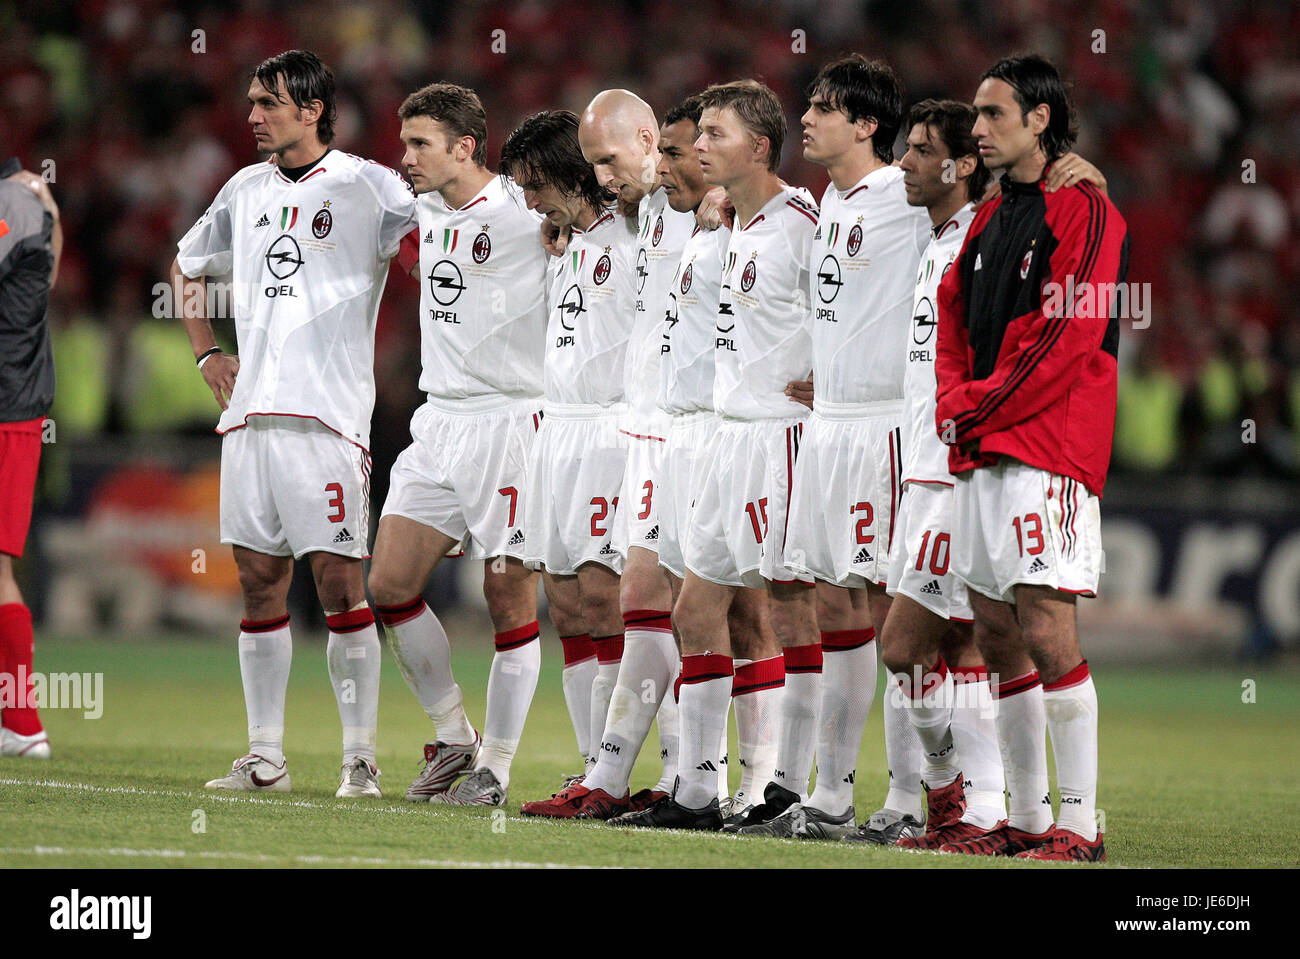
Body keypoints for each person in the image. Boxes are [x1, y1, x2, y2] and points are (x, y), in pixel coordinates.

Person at [170, 50, 417, 798]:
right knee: (256, 584)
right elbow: (186, 265)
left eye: (267, 102)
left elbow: (447, 216)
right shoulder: (243, 189)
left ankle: (361, 758)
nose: (252, 115)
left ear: (311, 108)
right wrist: (208, 351)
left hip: (329, 421)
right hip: (250, 421)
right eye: (251, 101)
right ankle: (265, 756)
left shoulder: (368, 184)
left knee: (342, 586)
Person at [934, 54, 1129, 861]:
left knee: (1048, 627)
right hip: (981, 444)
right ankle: (1028, 817)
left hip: (1044, 447)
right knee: (994, 629)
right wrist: (955, 401)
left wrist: (970, 405)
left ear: (1040, 118)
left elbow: (1062, 335)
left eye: (991, 113)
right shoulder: (986, 217)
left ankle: (1080, 829)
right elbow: (954, 321)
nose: (975, 129)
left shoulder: (1084, 208)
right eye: (975, 115)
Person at [614, 80, 820, 831]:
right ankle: (697, 793)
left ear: (759, 147)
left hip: (780, 440)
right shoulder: (730, 223)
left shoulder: (803, 223)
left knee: (795, 615)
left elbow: (855, 309)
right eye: (695, 134)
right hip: (726, 439)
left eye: (713, 133)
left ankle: (794, 792)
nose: (698, 147)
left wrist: (833, 378)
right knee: (696, 611)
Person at [747, 54, 928, 840]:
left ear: (867, 125)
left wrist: (1070, 172)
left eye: (824, 107)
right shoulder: (827, 199)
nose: (808, 119)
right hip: (829, 428)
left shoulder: (907, 196)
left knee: (898, 619)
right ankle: (833, 792)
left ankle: (915, 798)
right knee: (834, 606)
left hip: (885, 426)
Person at [368, 82, 548, 807]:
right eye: (403, 142)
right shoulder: (416, 211)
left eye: (419, 144)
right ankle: (453, 735)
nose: (404, 157)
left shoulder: (525, 210)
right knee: (387, 585)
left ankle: (496, 768)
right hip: (439, 420)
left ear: (464, 147)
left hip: (514, 422)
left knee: (509, 593)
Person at [492, 111, 637, 814]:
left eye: (534, 185)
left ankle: (630, 771)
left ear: (569, 172)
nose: (527, 202)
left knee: (609, 596)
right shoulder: (567, 243)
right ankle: (592, 768)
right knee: (568, 602)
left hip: (614, 431)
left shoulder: (638, 231)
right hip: (558, 430)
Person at [0, 160, 61, 760]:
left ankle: (21, 723)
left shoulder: (13, 202)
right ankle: (17, 721)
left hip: (6, 405)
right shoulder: (32, 199)